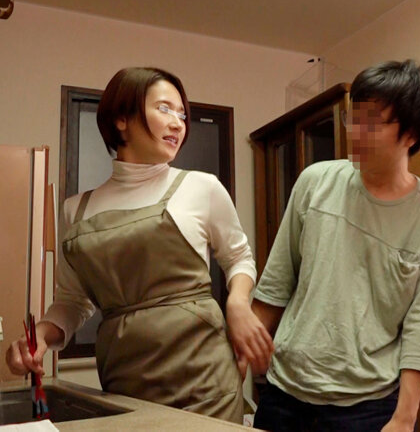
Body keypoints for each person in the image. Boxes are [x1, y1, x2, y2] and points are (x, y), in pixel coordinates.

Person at [4, 67, 272, 422]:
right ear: (121, 119)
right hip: (124, 380)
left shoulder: (201, 187)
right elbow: (72, 302)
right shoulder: (75, 210)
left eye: (182, 115)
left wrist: (237, 303)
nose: (178, 123)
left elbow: (239, 258)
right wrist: (40, 336)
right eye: (164, 109)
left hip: (206, 377)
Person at [251, 60, 420, 432]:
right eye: (354, 118)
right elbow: (276, 283)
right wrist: (237, 360)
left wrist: (404, 418)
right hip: (284, 394)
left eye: (373, 122)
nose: (356, 132)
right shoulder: (315, 182)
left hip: (368, 408)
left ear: (411, 134)